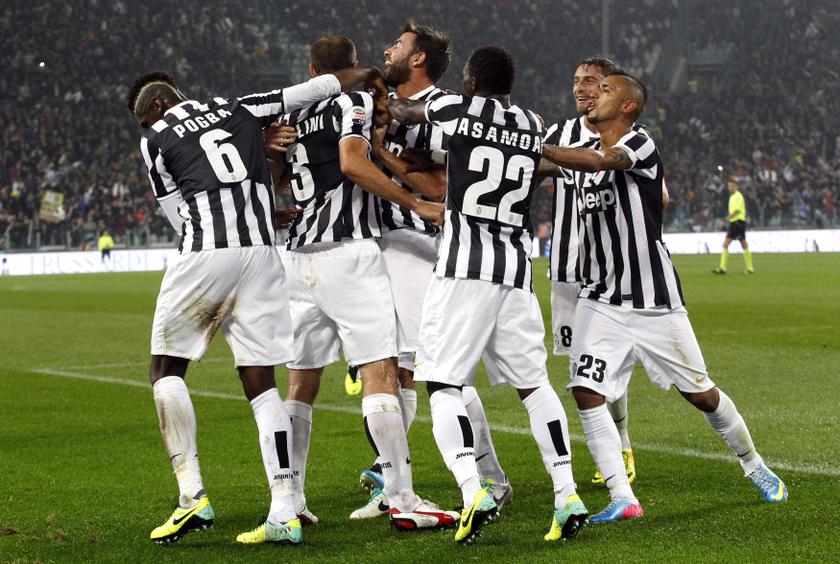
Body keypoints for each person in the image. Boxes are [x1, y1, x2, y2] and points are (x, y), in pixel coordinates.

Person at [129, 65, 384, 546]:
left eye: (144, 119)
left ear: (154, 109)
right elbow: (319, 87)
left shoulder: (156, 136)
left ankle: (191, 499)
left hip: (207, 251)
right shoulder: (237, 107)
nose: (147, 127)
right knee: (262, 382)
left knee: (166, 369)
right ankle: (284, 510)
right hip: (265, 254)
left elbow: (179, 216)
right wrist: (363, 72)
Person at [542, 71, 788, 523]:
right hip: (601, 299)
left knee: (702, 395)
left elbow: (604, 162)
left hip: (655, 300)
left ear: (629, 106)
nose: (594, 94)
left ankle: (754, 464)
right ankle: (622, 495)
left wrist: (538, 149)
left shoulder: (639, 144)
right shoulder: (580, 153)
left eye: (606, 90)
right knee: (584, 388)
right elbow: (543, 167)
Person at [388, 46, 588, 544]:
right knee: (535, 387)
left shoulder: (454, 107)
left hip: (463, 266)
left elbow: (406, 110)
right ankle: (567, 494)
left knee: (442, 384)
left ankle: (473, 489)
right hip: (516, 268)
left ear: (472, 79)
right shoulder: (532, 122)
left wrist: (386, 111)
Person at [267, 36, 457, 532]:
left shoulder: (294, 119)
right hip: (347, 254)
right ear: (350, 70)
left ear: (311, 68)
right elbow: (352, 161)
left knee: (300, 385)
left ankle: (291, 501)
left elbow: (284, 178)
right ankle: (402, 498)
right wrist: (416, 204)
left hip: (297, 260)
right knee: (382, 374)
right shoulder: (351, 100)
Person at [342, 21, 512, 521]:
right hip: (379, 247)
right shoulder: (387, 106)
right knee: (396, 372)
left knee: (443, 367)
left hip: (417, 246)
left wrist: (383, 155)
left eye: (397, 46)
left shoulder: (444, 113)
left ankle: (491, 479)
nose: (387, 52)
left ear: (418, 60)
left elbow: (441, 184)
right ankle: (394, 486)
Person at [541, 56, 643, 488]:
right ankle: (606, 448)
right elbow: (529, 169)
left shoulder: (630, 138)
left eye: (592, 82)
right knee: (577, 367)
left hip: (614, 273)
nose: (581, 88)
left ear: (611, 91)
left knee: (607, 364)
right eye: (576, 80)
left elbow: (661, 194)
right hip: (567, 269)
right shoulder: (559, 135)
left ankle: (621, 443)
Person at [713, 178, 754, 274]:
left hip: (737, 222)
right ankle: (749, 268)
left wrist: (725, 220)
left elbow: (737, 211)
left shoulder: (738, 196)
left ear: (736, 186)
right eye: (729, 185)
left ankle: (723, 268)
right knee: (741, 244)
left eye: (731, 185)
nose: (730, 187)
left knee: (727, 244)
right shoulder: (732, 197)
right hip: (736, 223)